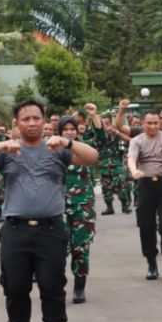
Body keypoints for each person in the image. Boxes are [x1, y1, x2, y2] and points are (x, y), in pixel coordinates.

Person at [0, 100, 99, 322]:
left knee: (52, 288)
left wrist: (68, 143)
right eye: (25, 119)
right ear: (16, 123)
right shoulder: (7, 152)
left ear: (44, 120)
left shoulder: (57, 149)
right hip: (15, 231)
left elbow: (92, 157)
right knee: (15, 288)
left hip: (51, 230)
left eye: (36, 118)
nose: (31, 123)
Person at [127, 110, 162, 280]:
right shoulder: (137, 141)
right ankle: (151, 264)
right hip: (145, 184)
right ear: (143, 123)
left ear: (161, 122)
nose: (152, 126)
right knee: (146, 227)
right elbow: (131, 159)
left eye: (156, 122)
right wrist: (134, 171)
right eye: (149, 123)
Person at [58, 112, 99, 304]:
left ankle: (79, 286)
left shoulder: (85, 148)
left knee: (81, 247)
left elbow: (101, 136)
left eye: (72, 129)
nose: (69, 133)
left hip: (82, 205)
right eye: (65, 130)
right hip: (57, 207)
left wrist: (94, 115)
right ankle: (57, 284)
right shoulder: (53, 151)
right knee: (57, 248)